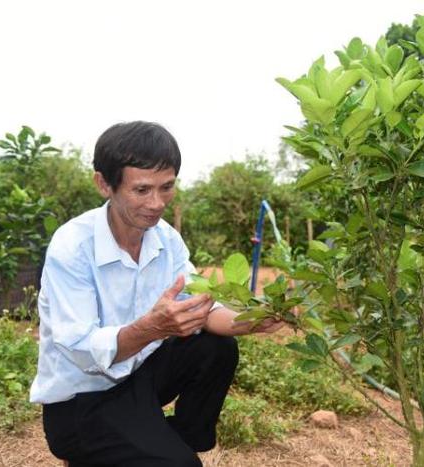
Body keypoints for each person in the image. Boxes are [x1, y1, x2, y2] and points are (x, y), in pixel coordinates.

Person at [29, 121, 283, 466]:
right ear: (104, 184)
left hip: (138, 382)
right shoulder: (73, 246)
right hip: (81, 402)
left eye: (167, 188)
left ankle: (170, 442)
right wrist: (152, 327)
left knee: (216, 347)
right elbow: (81, 350)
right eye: (142, 190)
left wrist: (253, 321)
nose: (157, 203)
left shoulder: (165, 239)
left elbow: (204, 309)